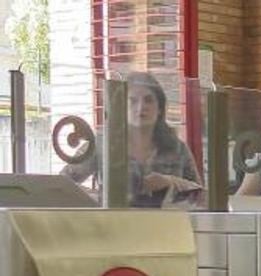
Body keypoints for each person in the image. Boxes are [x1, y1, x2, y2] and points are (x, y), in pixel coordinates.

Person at [63, 72, 201, 208]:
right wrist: (97, 198)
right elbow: (62, 184)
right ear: (121, 107)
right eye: (133, 101)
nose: (141, 107)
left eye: (148, 100)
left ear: (160, 108)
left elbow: (201, 197)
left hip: (165, 226)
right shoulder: (103, 144)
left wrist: (169, 182)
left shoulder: (177, 148)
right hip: (113, 225)